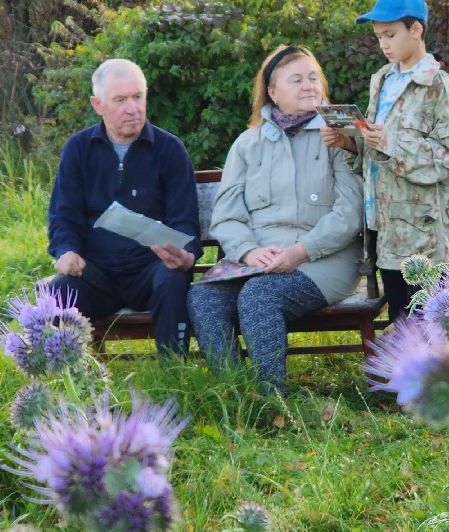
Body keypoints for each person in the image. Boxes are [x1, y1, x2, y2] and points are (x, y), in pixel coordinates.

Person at [188, 45, 362, 395]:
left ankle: (272, 399)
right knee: (202, 297)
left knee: (259, 295)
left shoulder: (339, 136)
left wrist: (300, 252)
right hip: (259, 259)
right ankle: (235, 394)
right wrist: (249, 251)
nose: (309, 86)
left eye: (314, 77)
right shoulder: (247, 145)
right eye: (296, 79)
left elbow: (350, 212)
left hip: (322, 259)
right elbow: (227, 214)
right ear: (272, 92)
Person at [322, 0, 449, 318]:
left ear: (416, 29)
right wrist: (348, 141)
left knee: (427, 318)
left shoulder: (438, 86)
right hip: (385, 222)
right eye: (378, 37)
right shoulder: (382, 80)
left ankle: (435, 370)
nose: (383, 44)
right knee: (400, 316)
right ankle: (400, 371)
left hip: (424, 230)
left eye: (390, 34)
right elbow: (375, 145)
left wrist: (392, 143)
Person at [48, 58, 200, 355]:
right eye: (120, 100)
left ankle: (176, 377)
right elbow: (63, 216)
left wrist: (186, 255)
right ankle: (73, 382)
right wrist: (66, 251)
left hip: (151, 269)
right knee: (57, 293)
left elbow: (185, 220)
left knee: (173, 280)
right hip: (97, 272)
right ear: (98, 104)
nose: (133, 108)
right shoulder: (78, 150)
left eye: (138, 97)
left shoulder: (169, 149)